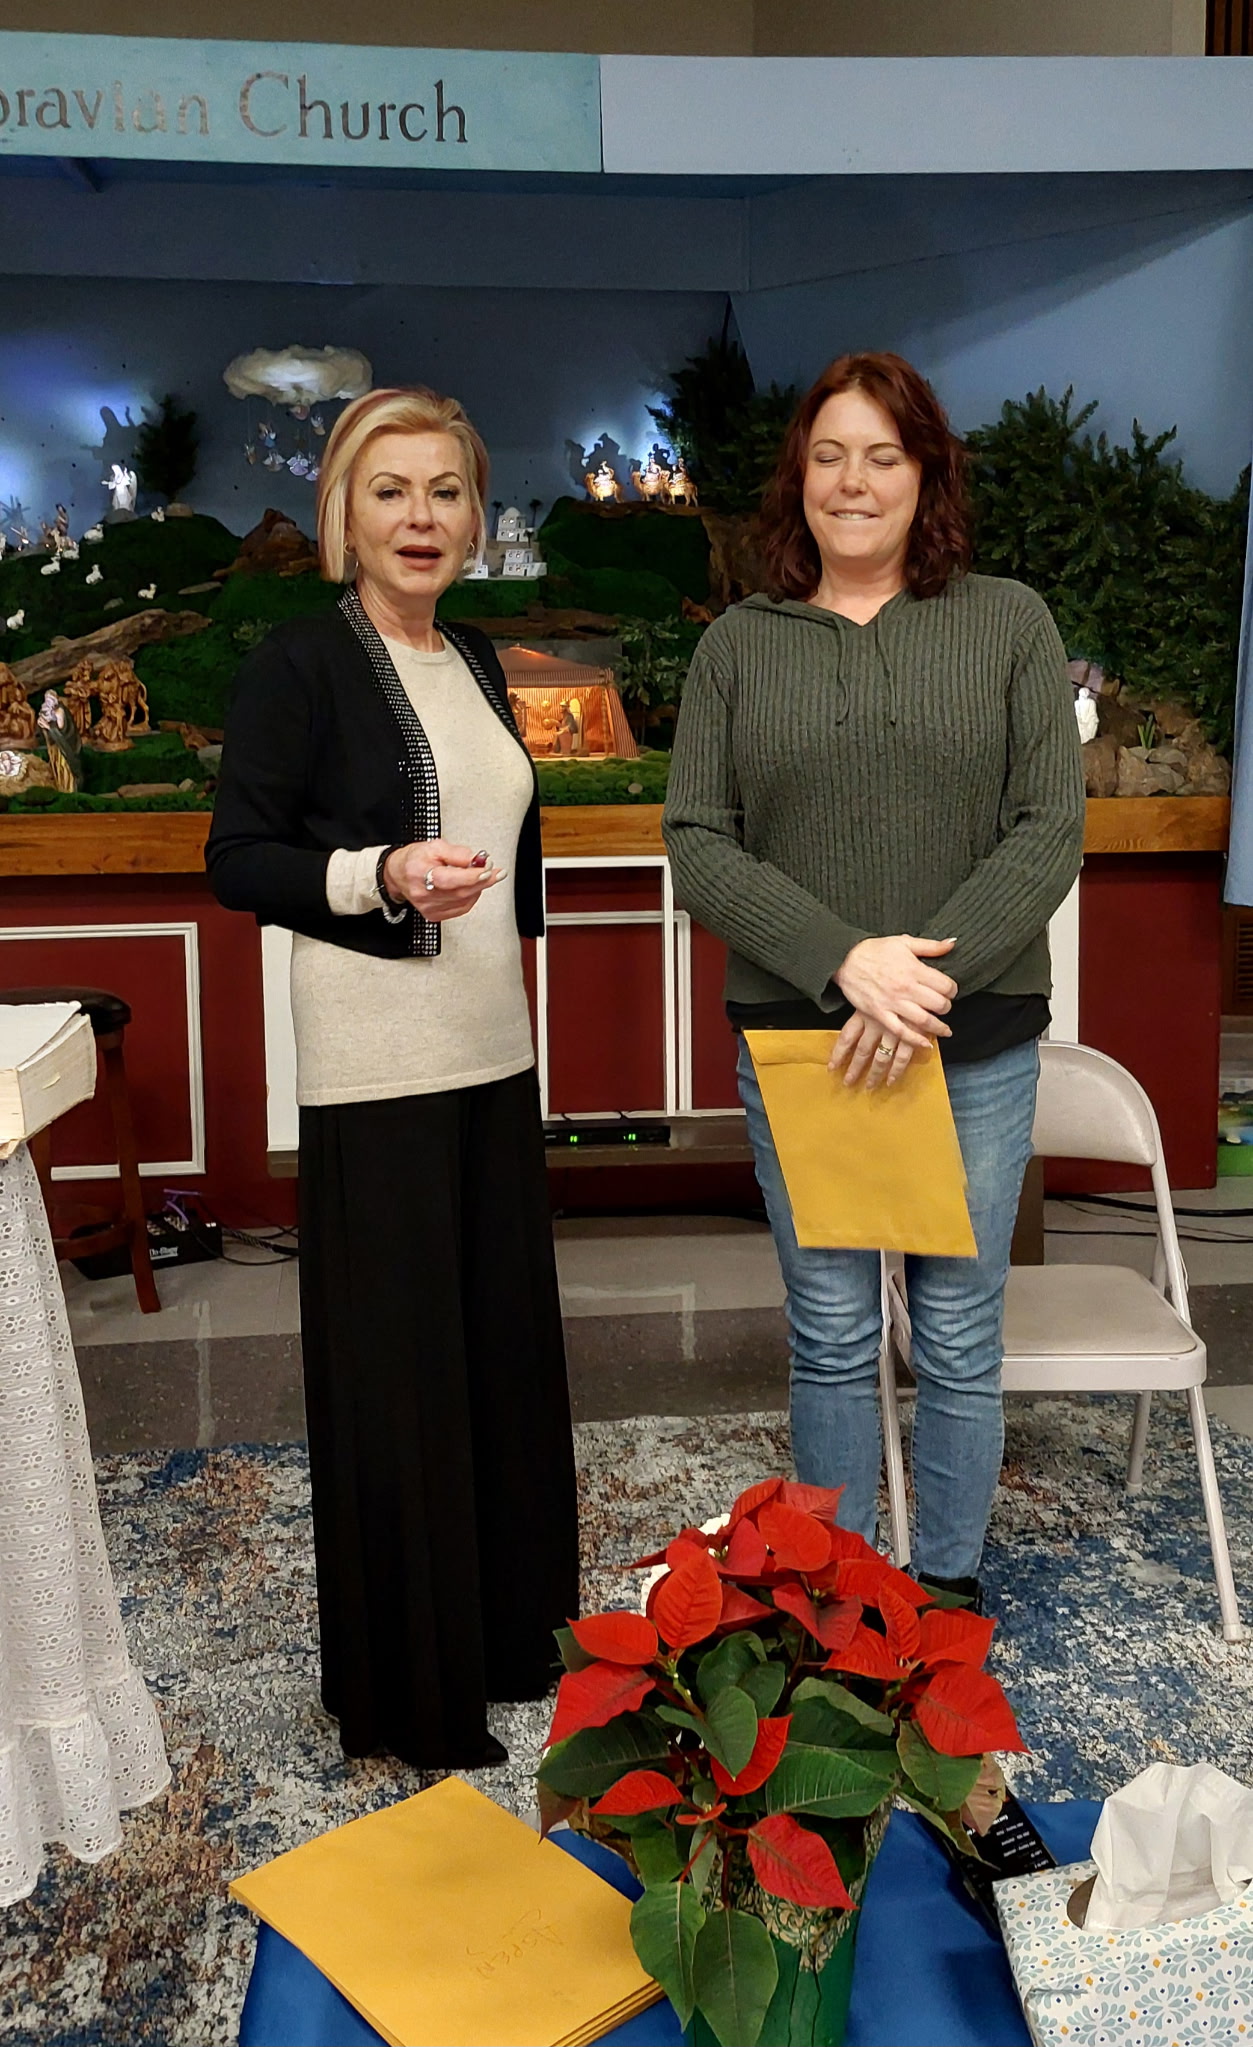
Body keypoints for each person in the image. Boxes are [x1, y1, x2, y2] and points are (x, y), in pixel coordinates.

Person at [662, 351, 1085, 1608]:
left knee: (955, 1328)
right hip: (805, 1035)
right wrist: (845, 961)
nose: (853, 483)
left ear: (924, 475)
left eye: (882, 457)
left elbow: (1045, 828)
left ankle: (942, 1587)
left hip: (971, 1035)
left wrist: (917, 983)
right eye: (829, 456)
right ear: (797, 478)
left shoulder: (1007, 623)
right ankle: (833, 1595)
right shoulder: (737, 646)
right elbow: (697, 838)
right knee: (835, 1329)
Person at [206, 386, 579, 1768]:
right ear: (343, 517)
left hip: (491, 1052)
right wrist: (379, 874)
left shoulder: (472, 655)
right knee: (402, 1382)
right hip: (376, 1068)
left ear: (475, 517)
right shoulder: (300, 662)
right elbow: (238, 858)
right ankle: (409, 1694)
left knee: (497, 1363)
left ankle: (509, 1639)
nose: (420, 517)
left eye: (445, 491)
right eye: (389, 491)